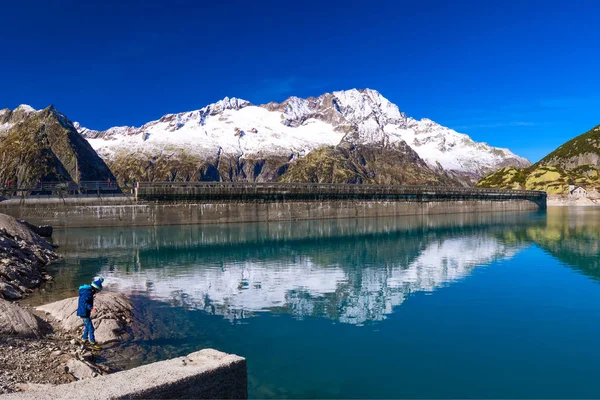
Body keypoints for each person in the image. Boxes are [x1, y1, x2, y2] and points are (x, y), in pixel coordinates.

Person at [77, 277, 104, 349]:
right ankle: (93, 343)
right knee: (91, 328)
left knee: (87, 326)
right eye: (98, 291)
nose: (97, 292)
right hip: (84, 312)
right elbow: (83, 302)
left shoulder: (88, 291)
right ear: (95, 288)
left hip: (84, 312)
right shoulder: (87, 293)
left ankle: (84, 340)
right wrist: (91, 308)